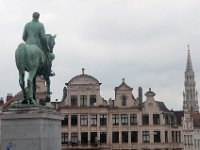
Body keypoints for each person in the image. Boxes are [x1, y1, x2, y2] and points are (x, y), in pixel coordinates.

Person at [22, 12, 55, 76]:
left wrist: (29, 40)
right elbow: (43, 38)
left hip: (27, 44)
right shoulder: (40, 25)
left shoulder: (27, 25)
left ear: (32, 16)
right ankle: (49, 71)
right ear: (38, 17)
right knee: (51, 56)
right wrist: (47, 47)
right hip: (37, 44)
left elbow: (24, 37)